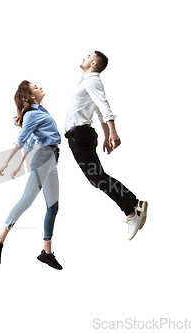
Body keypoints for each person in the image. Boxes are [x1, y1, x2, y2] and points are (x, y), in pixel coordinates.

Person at [64, 51, 148, 240]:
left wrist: (113, 132)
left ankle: (130, 212)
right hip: (80, 135)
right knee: (98, 177)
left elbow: (104, 106)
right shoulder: (86, 82)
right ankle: (135, 204)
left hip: (79, 135)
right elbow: (99, 112)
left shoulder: (92, 81)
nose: (83, 57)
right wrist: (106, 135)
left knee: (97, 178)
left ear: (93, 63)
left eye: (88, 56)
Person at [0, 80, 63, 270]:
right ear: (30, 96)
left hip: (52, 158)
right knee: (26, 200)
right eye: (35, 87)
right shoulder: (31, 114)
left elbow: (30, 141)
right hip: (45, 158)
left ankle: (46, 253)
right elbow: (21, 141)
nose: (40, 87)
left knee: (53, 207)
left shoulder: (41, 112)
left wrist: (20, 164)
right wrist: (8, 161)